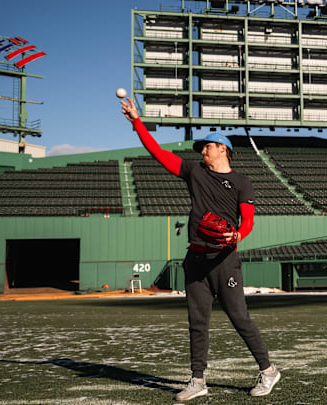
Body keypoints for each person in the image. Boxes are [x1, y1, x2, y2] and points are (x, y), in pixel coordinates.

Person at [120, 98, 280, 400]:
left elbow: (248, 220)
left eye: (207, 146)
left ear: (223, 149)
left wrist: (237, 236)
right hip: (195, 258)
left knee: (239, 317)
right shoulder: (194, 171)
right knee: (197, 321)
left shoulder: (242, 182)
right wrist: (136, 122)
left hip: (224, 259)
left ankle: (268, 370)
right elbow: (157, 153)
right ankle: (197, 380)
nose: (202, 150)